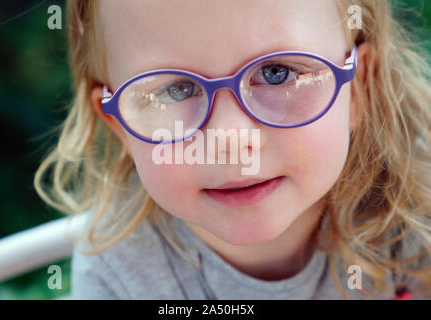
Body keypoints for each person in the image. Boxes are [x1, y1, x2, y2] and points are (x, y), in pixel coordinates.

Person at [34, 0, 431, 299]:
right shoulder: (119, 272)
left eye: (277, 73)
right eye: (175, 89)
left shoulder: (413, 205)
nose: (230, 140)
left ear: (359, 87)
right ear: (120, 125)